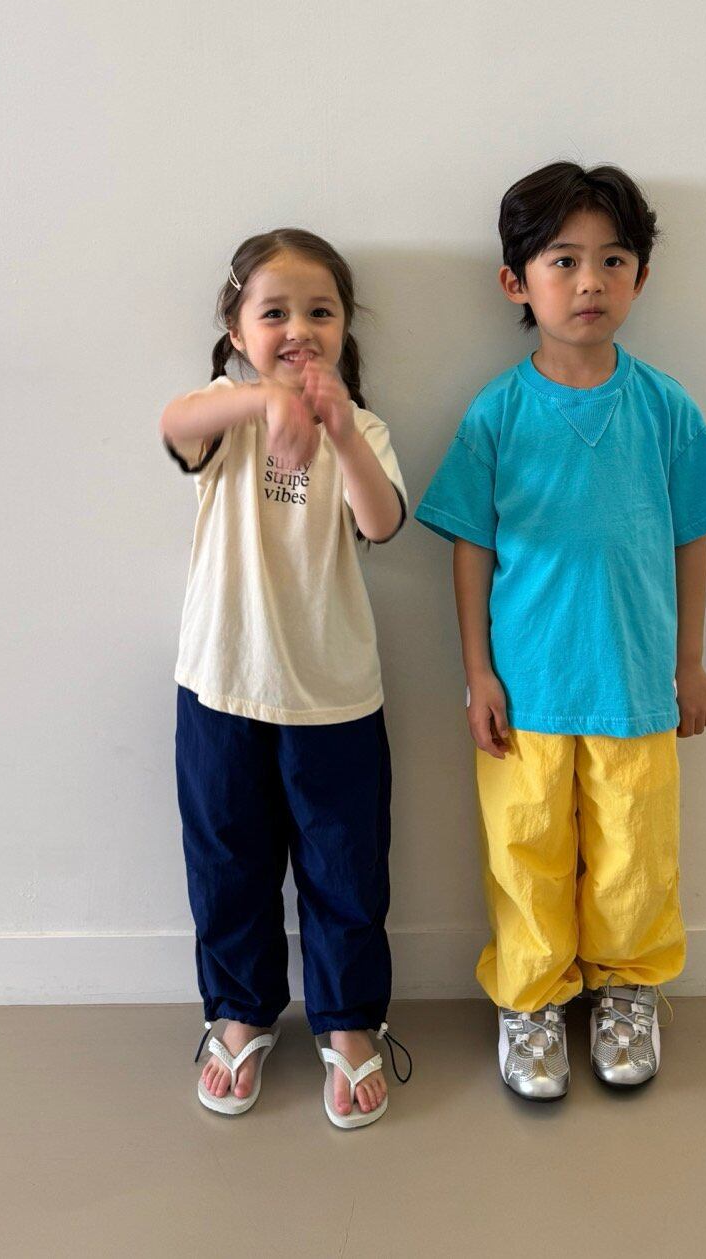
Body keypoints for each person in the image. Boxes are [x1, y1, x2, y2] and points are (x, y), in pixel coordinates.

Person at [416, 163, 706, 1099]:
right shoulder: (496, 413)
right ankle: (531, 1000)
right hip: (526, 688)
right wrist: (478, 673)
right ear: (516, 281)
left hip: (637, 685)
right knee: (525, 850)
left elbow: (692, 536)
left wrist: (690, 662)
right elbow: (471, 548)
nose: (591, 280)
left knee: (636, 852)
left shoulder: (665, 407)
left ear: (641, 276)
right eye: (564, 259)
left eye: (613, 259)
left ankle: (627, 990)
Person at [160, 228, 411, 1127]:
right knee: (228, 863)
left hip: (333, 694)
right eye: (275, 312)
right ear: (237, 329)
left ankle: (348, 1021)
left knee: (346, 871)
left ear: (345, 329)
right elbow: (172, 423)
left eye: (321, 311)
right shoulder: (224, 415)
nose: (299, 329)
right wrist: (264, 398)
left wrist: (338, 428)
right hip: (221, 684)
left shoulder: (364, 428)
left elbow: (381, 523)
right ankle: (239, 1012)